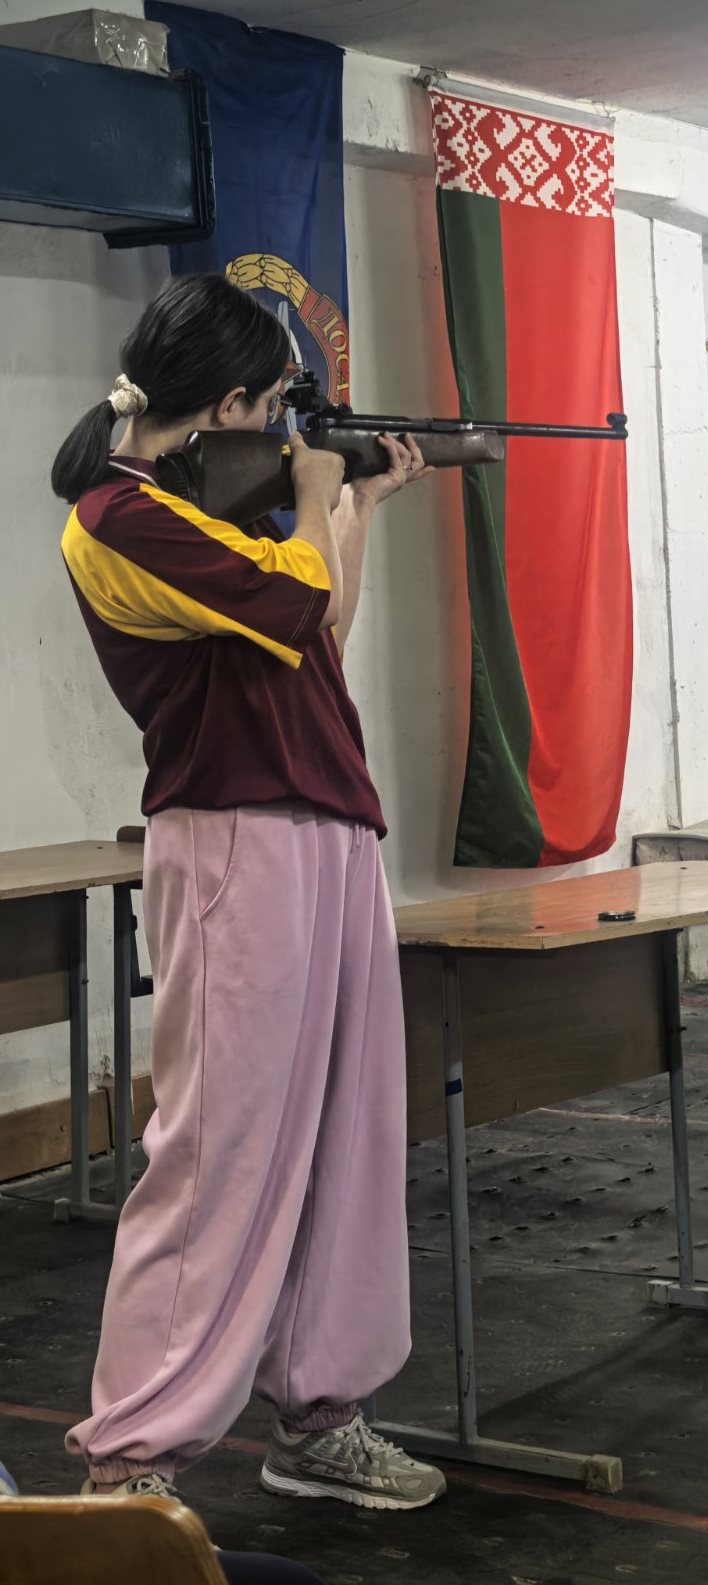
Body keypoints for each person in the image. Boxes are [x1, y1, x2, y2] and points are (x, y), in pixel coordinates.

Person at [50, 274, 445, 1513]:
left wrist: (356, 504)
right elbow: (294, 594)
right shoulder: (118, 518)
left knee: (344, 1137)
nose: (282, 426)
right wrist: (317, 493)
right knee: (215, 1151)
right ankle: (133, 1458)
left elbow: (319, 631)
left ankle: (320, 1411)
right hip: (235, 838)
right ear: (226, 405)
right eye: (273, 405)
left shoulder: (208, 514)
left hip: (325, 827)